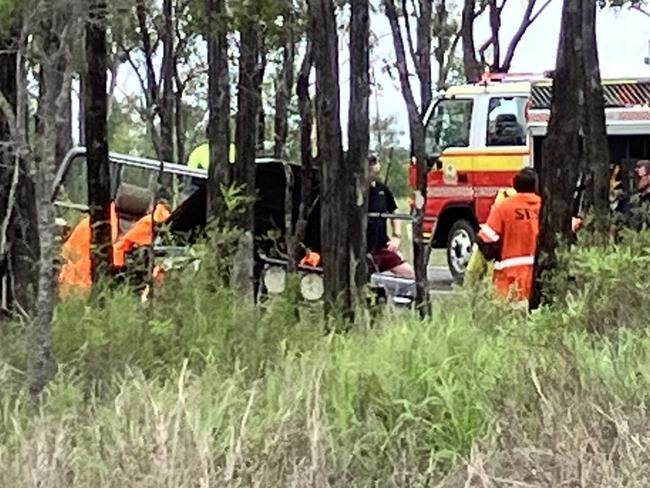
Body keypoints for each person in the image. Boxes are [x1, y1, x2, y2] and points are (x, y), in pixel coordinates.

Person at [476, 168, 541, 302]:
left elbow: (485, 240)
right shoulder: (544, 206)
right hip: (538, 278)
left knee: (510, 319)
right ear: (536, 185)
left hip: (509, 280)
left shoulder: (504, 207)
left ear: (515, 185)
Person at [367, 155, 415, 279]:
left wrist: (396, 236)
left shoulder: (381, 189)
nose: (372, 166)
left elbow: (394, 210)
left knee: (408, 273)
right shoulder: (352, 189)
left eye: (374, 162)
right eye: (369, 163)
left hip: (381, 246)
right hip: (360, 249)